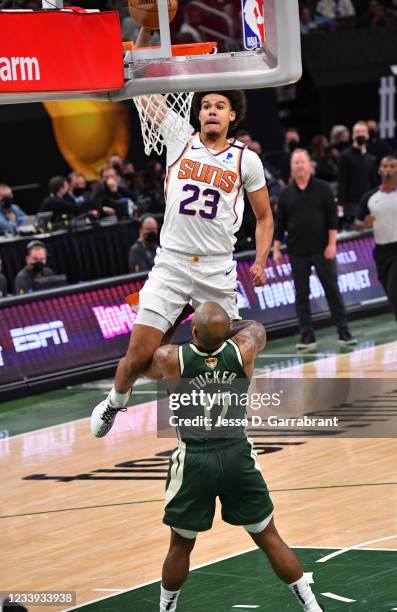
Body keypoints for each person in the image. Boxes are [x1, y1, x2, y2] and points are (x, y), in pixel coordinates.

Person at [90, 27, 273, 438]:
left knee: (228, 355)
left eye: (219, 106)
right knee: (137, 354)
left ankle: (234, 423)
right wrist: (145, 30)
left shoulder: (247, 160)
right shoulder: (179, 138)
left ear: (232, 115)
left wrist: (260, 261)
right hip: (171, 264)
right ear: (198, 113)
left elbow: (264, 217)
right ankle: (114, 402)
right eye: (205, 105)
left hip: (215, 271)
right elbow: (142, 88)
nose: (210, 110)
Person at [143, 302, 325, 612]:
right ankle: (312, 607)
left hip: (195, 460)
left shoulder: (172, 359)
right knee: (270, 537)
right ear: (227, 333)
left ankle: (166, 610)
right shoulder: (244, 350)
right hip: (236, 454)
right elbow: (256, 328)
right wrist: (226, 322)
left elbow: (148, 359)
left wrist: (179, 317)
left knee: (180, 545)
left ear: (195, 331)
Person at [274, 149, 357, 349]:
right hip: (297, 252)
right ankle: (307, 336)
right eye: (295, 162)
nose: (299, 165)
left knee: (332, 291)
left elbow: (332, 220)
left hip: (322, 250)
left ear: (310, 164)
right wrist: (276, 249)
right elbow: (280, 225)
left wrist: (331, 244)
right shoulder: (285, 194)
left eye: (302, 161)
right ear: (291, 168)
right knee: (301, 295)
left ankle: (343, 332)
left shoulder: (323, 188)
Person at [356, 156, 397, 358]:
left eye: (392, 166)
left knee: (396, 293)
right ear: (379, 170)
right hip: (382, 252)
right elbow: (358, 224)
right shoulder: (370, 197)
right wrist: (364, 224)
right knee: (396, 298)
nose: (388, 169)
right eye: (384, 166)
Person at [338, 121, 377, 228]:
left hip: (369, 206)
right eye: (357, 132)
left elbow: (374, 183)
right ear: (353, 135)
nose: (360, 134)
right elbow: (342, 182)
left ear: (367, 135)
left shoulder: (370, 158)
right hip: (352, 206)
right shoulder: (345, 156)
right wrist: (341, 205)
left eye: (363, 131)